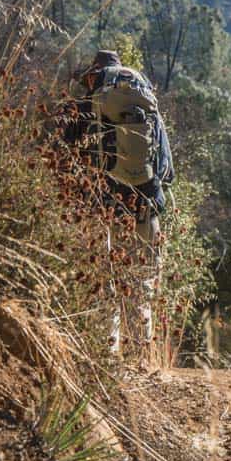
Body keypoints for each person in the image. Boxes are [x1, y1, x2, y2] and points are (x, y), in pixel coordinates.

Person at [63, 49, 174, 363]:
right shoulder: (148, 106)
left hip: (100, 203)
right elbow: (166, 169)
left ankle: (108, 357)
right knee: (141, 281)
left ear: (92, 73)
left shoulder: (86, 103)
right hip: (145, 204)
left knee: (103, 280)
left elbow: (63, 155)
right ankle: (142, 357)